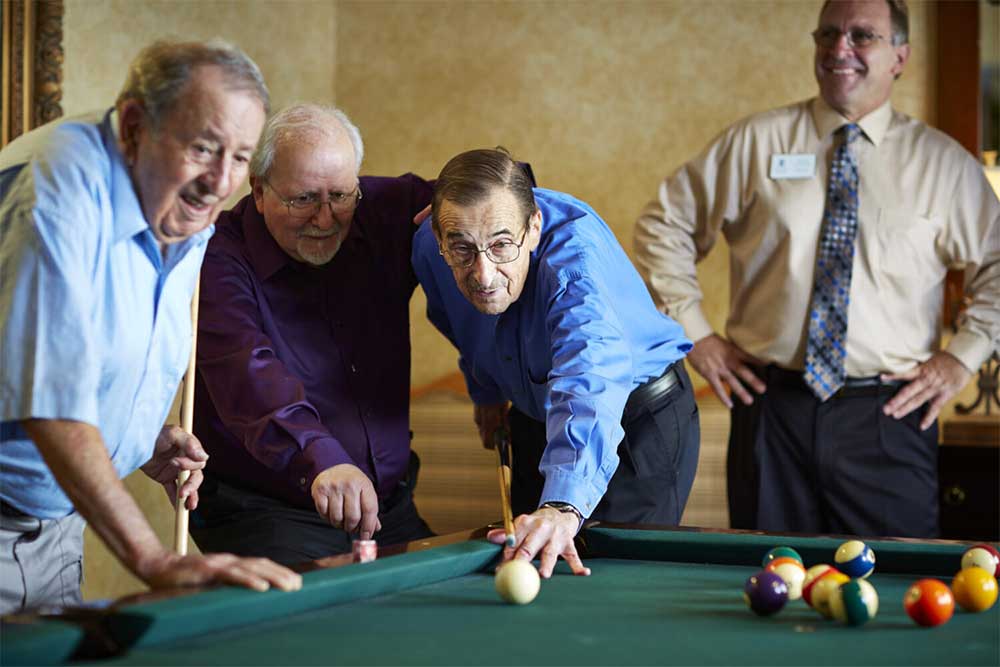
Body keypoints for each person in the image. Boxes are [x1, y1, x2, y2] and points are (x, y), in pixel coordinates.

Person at [633, 0, 1000, 538]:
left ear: (900, 56)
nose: (839, 49)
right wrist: (696, 337)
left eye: (861, 36)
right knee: (772, 581)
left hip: (889, 415)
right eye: (828, 33)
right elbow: (663, 226)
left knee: (899, 591)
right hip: (770, 409)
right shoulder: (756, 143)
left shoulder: (943, 165)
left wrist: (960, 359)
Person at [0, 40, 302, 615]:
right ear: (135, 125)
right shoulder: (56, 190)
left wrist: (133, 435)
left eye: (240, 157)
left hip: (57, 526)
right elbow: (50, 403)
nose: (219, 180)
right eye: (204, 147)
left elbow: (85, 351)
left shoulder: (177, 205)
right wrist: (154, 560)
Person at [412, 148, 699, 578]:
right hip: (539, 414)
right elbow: (459, 323)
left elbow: (590, 376)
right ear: (439, 238)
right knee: (534, 556)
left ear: (533, 228)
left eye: (502, 245)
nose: (483, 274)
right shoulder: (429, 249)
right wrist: (488, 391)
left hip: (640, 420)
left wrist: (563, 504)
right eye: (462, 250)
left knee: (615, 584)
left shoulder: (575, 270)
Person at [190, 104, 435, 565]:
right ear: (258, 190)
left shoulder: (382, 210)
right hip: (267, 513)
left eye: (340, 196)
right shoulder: (216, 256)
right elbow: (247, 371)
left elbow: (495, 200)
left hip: (388, 506)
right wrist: (322, 458)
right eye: (302, 199)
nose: (326, 219)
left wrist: (491, 366)